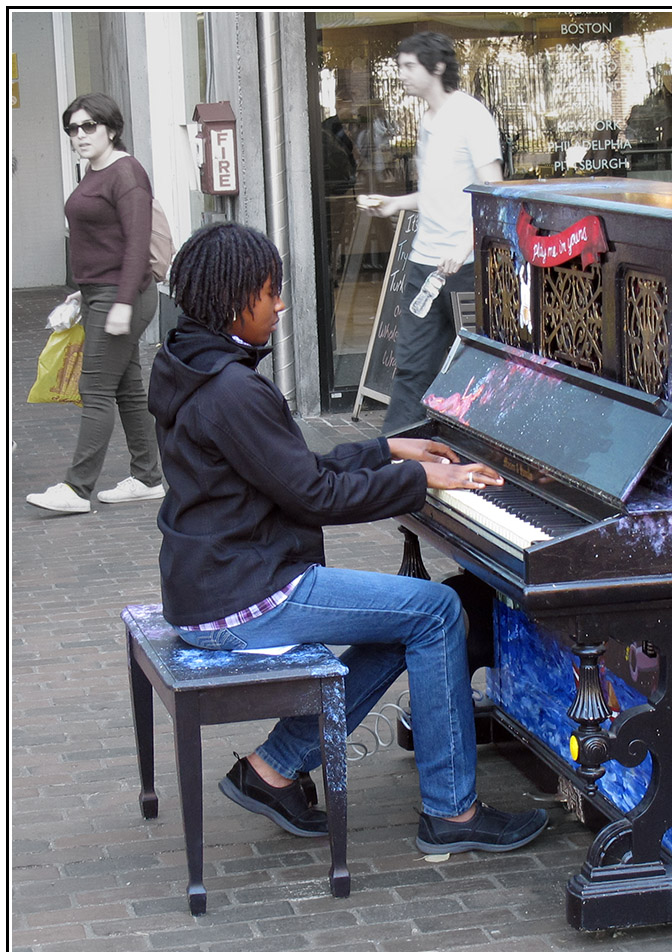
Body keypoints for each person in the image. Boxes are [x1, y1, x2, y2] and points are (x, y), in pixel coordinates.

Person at [147, 222, 547, 853]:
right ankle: (452, 813)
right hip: (244, 593)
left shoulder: (194, 366)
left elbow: (288, 472)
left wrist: (385, 448)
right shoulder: (232, 389)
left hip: (214, 579)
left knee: (407, 618)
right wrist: (422, 479)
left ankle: (274, 769)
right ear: (233, 301)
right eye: (270, 292)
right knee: (439, 610)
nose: (279, 305)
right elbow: (314, 495)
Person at [27, 92, 164, 514]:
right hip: (100, 293)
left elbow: (138, 243)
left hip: (123, 296)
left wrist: (122, 301)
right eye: (73, 128)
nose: (80, 135)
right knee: (126, 387)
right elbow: (104, 241)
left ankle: (76, 489)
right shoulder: (94, 171)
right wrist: (82, 290)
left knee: (96, 388)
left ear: (111, 128)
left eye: (89, 126)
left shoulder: (127, 173)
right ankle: (148, 477)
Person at [365, 32, 503, 433]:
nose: (402, 74)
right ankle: (398, 465)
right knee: (411, 367)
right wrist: (396, 203)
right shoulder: (426, 120)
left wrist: (465, 245)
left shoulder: (471, 115)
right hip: (425, 264)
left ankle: (476, 466)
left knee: (475, 374)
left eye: (409, 66)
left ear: (437, 68)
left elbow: (492, 194)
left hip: (466, 268)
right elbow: (438, 191)